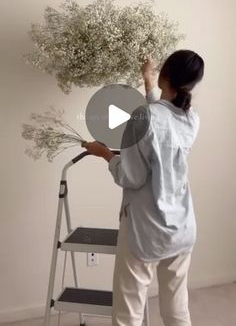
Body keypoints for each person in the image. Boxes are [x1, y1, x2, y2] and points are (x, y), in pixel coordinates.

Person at [82, 49, 205, 326]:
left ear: (167, 76)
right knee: (177, 310)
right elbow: (160, 117)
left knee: (129, 313)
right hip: (182, 227)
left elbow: (130, 177)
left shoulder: (142, 118)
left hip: (146, 230)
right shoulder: (191, 119)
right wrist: (148, 79)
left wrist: (105, 154)